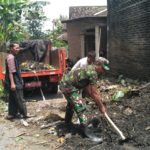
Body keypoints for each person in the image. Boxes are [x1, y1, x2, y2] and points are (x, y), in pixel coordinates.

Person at [60, 60, 109, 143]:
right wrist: (101, 106)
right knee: (81, 108)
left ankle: (67, 123)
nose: (103, 71)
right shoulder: (93, 73)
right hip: (69, 87)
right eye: (103, 68)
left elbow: (87, 88)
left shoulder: (89, 68)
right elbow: (94, 93)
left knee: (72, 104)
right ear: (98, 65)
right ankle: (88, 134)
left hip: (65, 84)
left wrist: (94, 99)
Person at [4, 42, 28, 120]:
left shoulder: (11, 57)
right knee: (20, 98)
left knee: (13, 98)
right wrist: (13, 84)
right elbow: (11, 71)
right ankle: (24, 114)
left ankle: (11, 114)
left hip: (14, 80)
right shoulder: (11, 58)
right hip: (14, 81)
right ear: (11, 48)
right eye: (16, 48)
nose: (18, 49)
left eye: (19, 47)